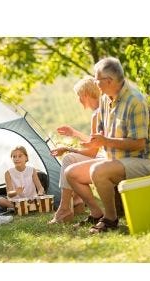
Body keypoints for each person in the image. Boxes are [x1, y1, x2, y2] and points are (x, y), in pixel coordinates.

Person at [65, 57, 150, 233]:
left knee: (99, 171)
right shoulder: (106, 99)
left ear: (109, 81)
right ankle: (98, 213)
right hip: (112, 159)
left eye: (97, 80)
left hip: (140, 160)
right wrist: (92, 141)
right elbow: (101, 135)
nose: (95, 83)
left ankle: (111, 220)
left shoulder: (136, 101)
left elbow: (138, 144)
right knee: (71, 173)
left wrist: (105, 141)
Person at [48, 76, 102, 224]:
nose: (78, 100)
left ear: (85, 95)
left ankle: (67, 208)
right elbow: (94, 143)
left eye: (78, 96)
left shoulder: (98, 114)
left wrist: (67, 148)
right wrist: (74, 133)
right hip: (104, 155)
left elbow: (92, 152)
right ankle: (70, 206)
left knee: (68, 158)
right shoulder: (100, 111)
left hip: (106, 158)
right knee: (68, 158)